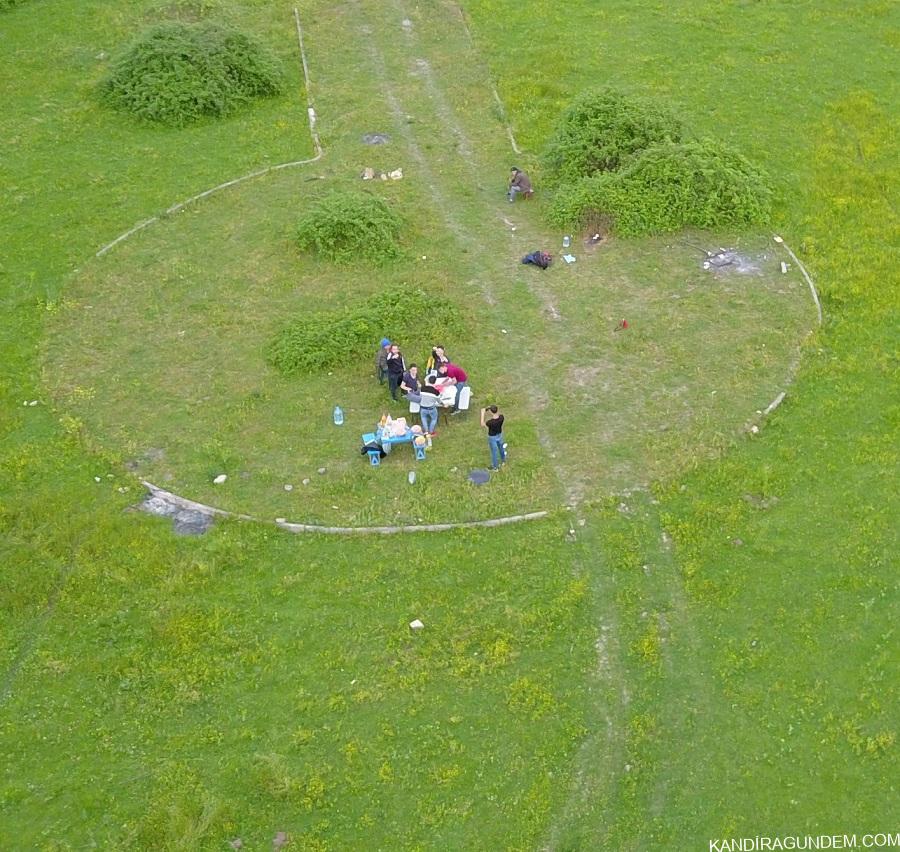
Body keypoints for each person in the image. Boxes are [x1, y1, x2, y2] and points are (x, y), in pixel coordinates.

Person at [481, 405, 507, 470]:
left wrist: (482, 413)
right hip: (499, 435)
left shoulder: (490, 422)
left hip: (492, 437)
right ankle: (503, 460)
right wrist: (491, 408)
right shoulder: (501, 417)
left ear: (491, 412)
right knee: (501, 448)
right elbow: (498, 414)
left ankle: (495, 467)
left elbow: (482, 424)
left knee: (494, 452)